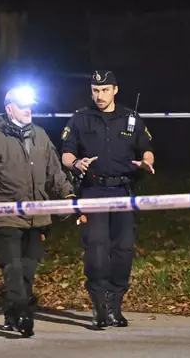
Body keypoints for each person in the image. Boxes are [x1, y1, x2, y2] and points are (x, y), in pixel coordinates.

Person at [0, 85, 74, 337]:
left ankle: (11, 313)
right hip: (6, 216)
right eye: (23, 106)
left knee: (27, 269)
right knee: (12, 267)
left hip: (38, 217)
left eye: (31, 105)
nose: (29, 110)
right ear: (9, 108)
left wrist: (68, 196)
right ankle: (23, 313)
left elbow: (54, 172)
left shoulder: (41, 136)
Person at [60, 70, 155, 329]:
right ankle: (99, 305)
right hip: (93, 192)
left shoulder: (131, 119)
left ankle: (115, 305)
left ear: (115, 90)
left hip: (123, 193)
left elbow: (147, 149)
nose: (99, 95)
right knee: (97, 249)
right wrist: (76, 163)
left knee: (123, 249)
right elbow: (66, 155)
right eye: (95, 90)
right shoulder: (81, 118)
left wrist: (146, 163)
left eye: (104, 90)